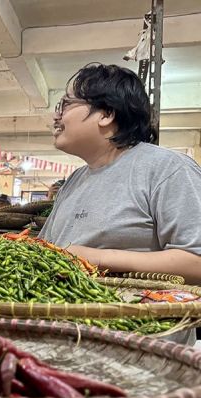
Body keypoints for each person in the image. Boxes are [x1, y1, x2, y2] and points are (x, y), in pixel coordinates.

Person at [42, 63, 201, 285]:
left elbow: (196, 260)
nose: (56, 116)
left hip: (133, 315)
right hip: (66, 314)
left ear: (106, 114)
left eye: (66, 104)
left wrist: (96, 257)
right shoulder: (75, 179)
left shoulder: (167, 169)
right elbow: (47, 250)